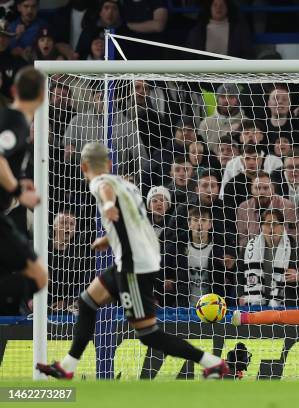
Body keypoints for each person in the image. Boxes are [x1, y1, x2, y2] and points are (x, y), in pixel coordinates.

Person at [36, 142, 229, 380]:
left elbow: (105, 189)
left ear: (84, 166)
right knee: (87, 302)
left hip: (134, 264)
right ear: (109, 163)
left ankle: (213, 363)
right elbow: (135, 221)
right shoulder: (127, 185)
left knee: (148, 334)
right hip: (131, 257)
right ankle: (67, 366)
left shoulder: (100, 182)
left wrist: (107, 205)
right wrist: (109, 238)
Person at [0, 67, 48, 315]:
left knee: (38, 276)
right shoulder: (14, 120)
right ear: (42, 96)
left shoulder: (14, 123)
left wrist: (19, 179)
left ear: (14, 90)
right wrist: (19, 190)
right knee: (38, 276)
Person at [186, 0, 254, 59]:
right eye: (215, 5)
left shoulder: (239, 30)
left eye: (222, 5)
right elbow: (190, 57)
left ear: (227, 8)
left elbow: (248, 54)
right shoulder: (198, 31)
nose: (219, 8)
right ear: (210, 8)